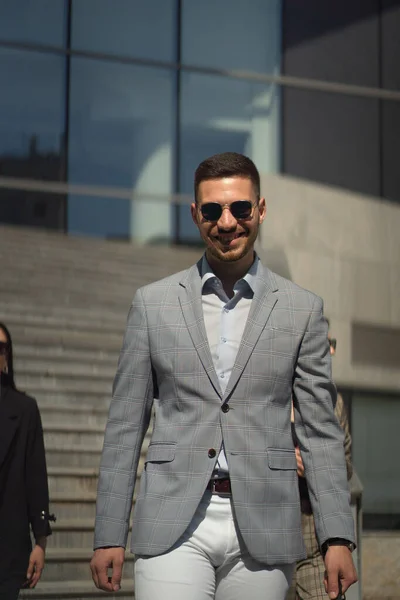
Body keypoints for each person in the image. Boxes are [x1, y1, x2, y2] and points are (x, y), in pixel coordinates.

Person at [90, 152, 357, 600]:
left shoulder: (302, 309)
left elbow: (320, 431)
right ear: (195, 215)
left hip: (267, 523)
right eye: (212, 210)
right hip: (173, 520)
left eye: (240, 208)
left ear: (261, 210)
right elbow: (124, 426)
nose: (227, 222)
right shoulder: (152, 304)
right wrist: (108, 532)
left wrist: (337, 537)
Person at [288, 330, 353, 600]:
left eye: (332, 344)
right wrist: (285, 459)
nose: (332, 351)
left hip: (315, 537)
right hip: (266, 533)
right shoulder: (268, 397)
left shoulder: (333, 401)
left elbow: (346, 466)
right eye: (325, 344)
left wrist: (320, 464)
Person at [0, 322, 53, 599]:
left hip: (7, 551)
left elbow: (36, 477)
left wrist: (40, 542)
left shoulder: (25, 409)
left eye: (1, 347)